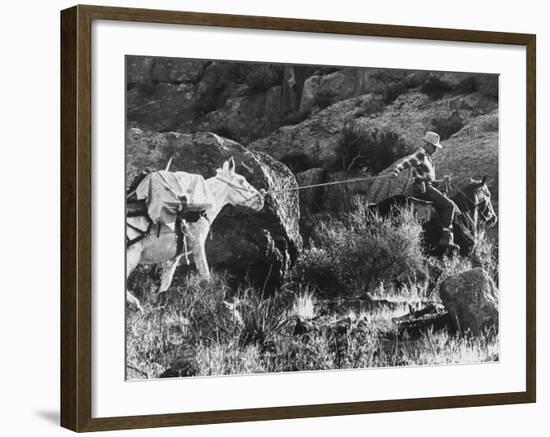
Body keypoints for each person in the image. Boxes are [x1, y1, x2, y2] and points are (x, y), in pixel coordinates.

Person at [390, 131, 459, 250]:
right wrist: (396, 170)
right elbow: (407, 162)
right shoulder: (421, 154)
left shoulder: (428, 159)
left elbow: (430, 180)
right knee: (450, 206)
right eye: (434, 147)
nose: (435, 150)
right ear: (427, 145)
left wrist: (442, 181)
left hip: (428, 186)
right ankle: (445, 237)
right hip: (423, 189)